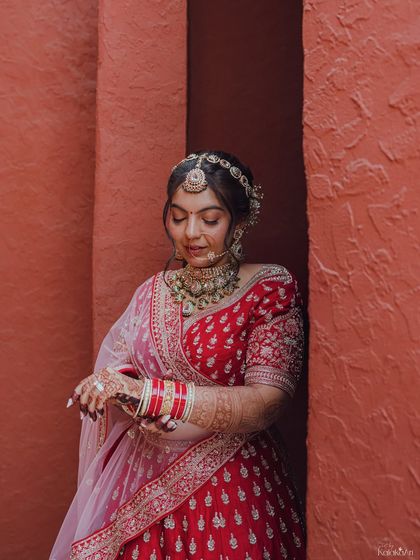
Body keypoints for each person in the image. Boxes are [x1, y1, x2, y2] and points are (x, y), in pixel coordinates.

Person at [50, 150, 306, 560]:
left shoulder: (268, 288)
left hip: (232, 484)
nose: (191, 233)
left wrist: (153, 395)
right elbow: (126, 366)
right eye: (178, 216)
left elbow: (266, 402)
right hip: (142, 488)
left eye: (209, 219)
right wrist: (112, 388)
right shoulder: (153, 291)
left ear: (238, 221)